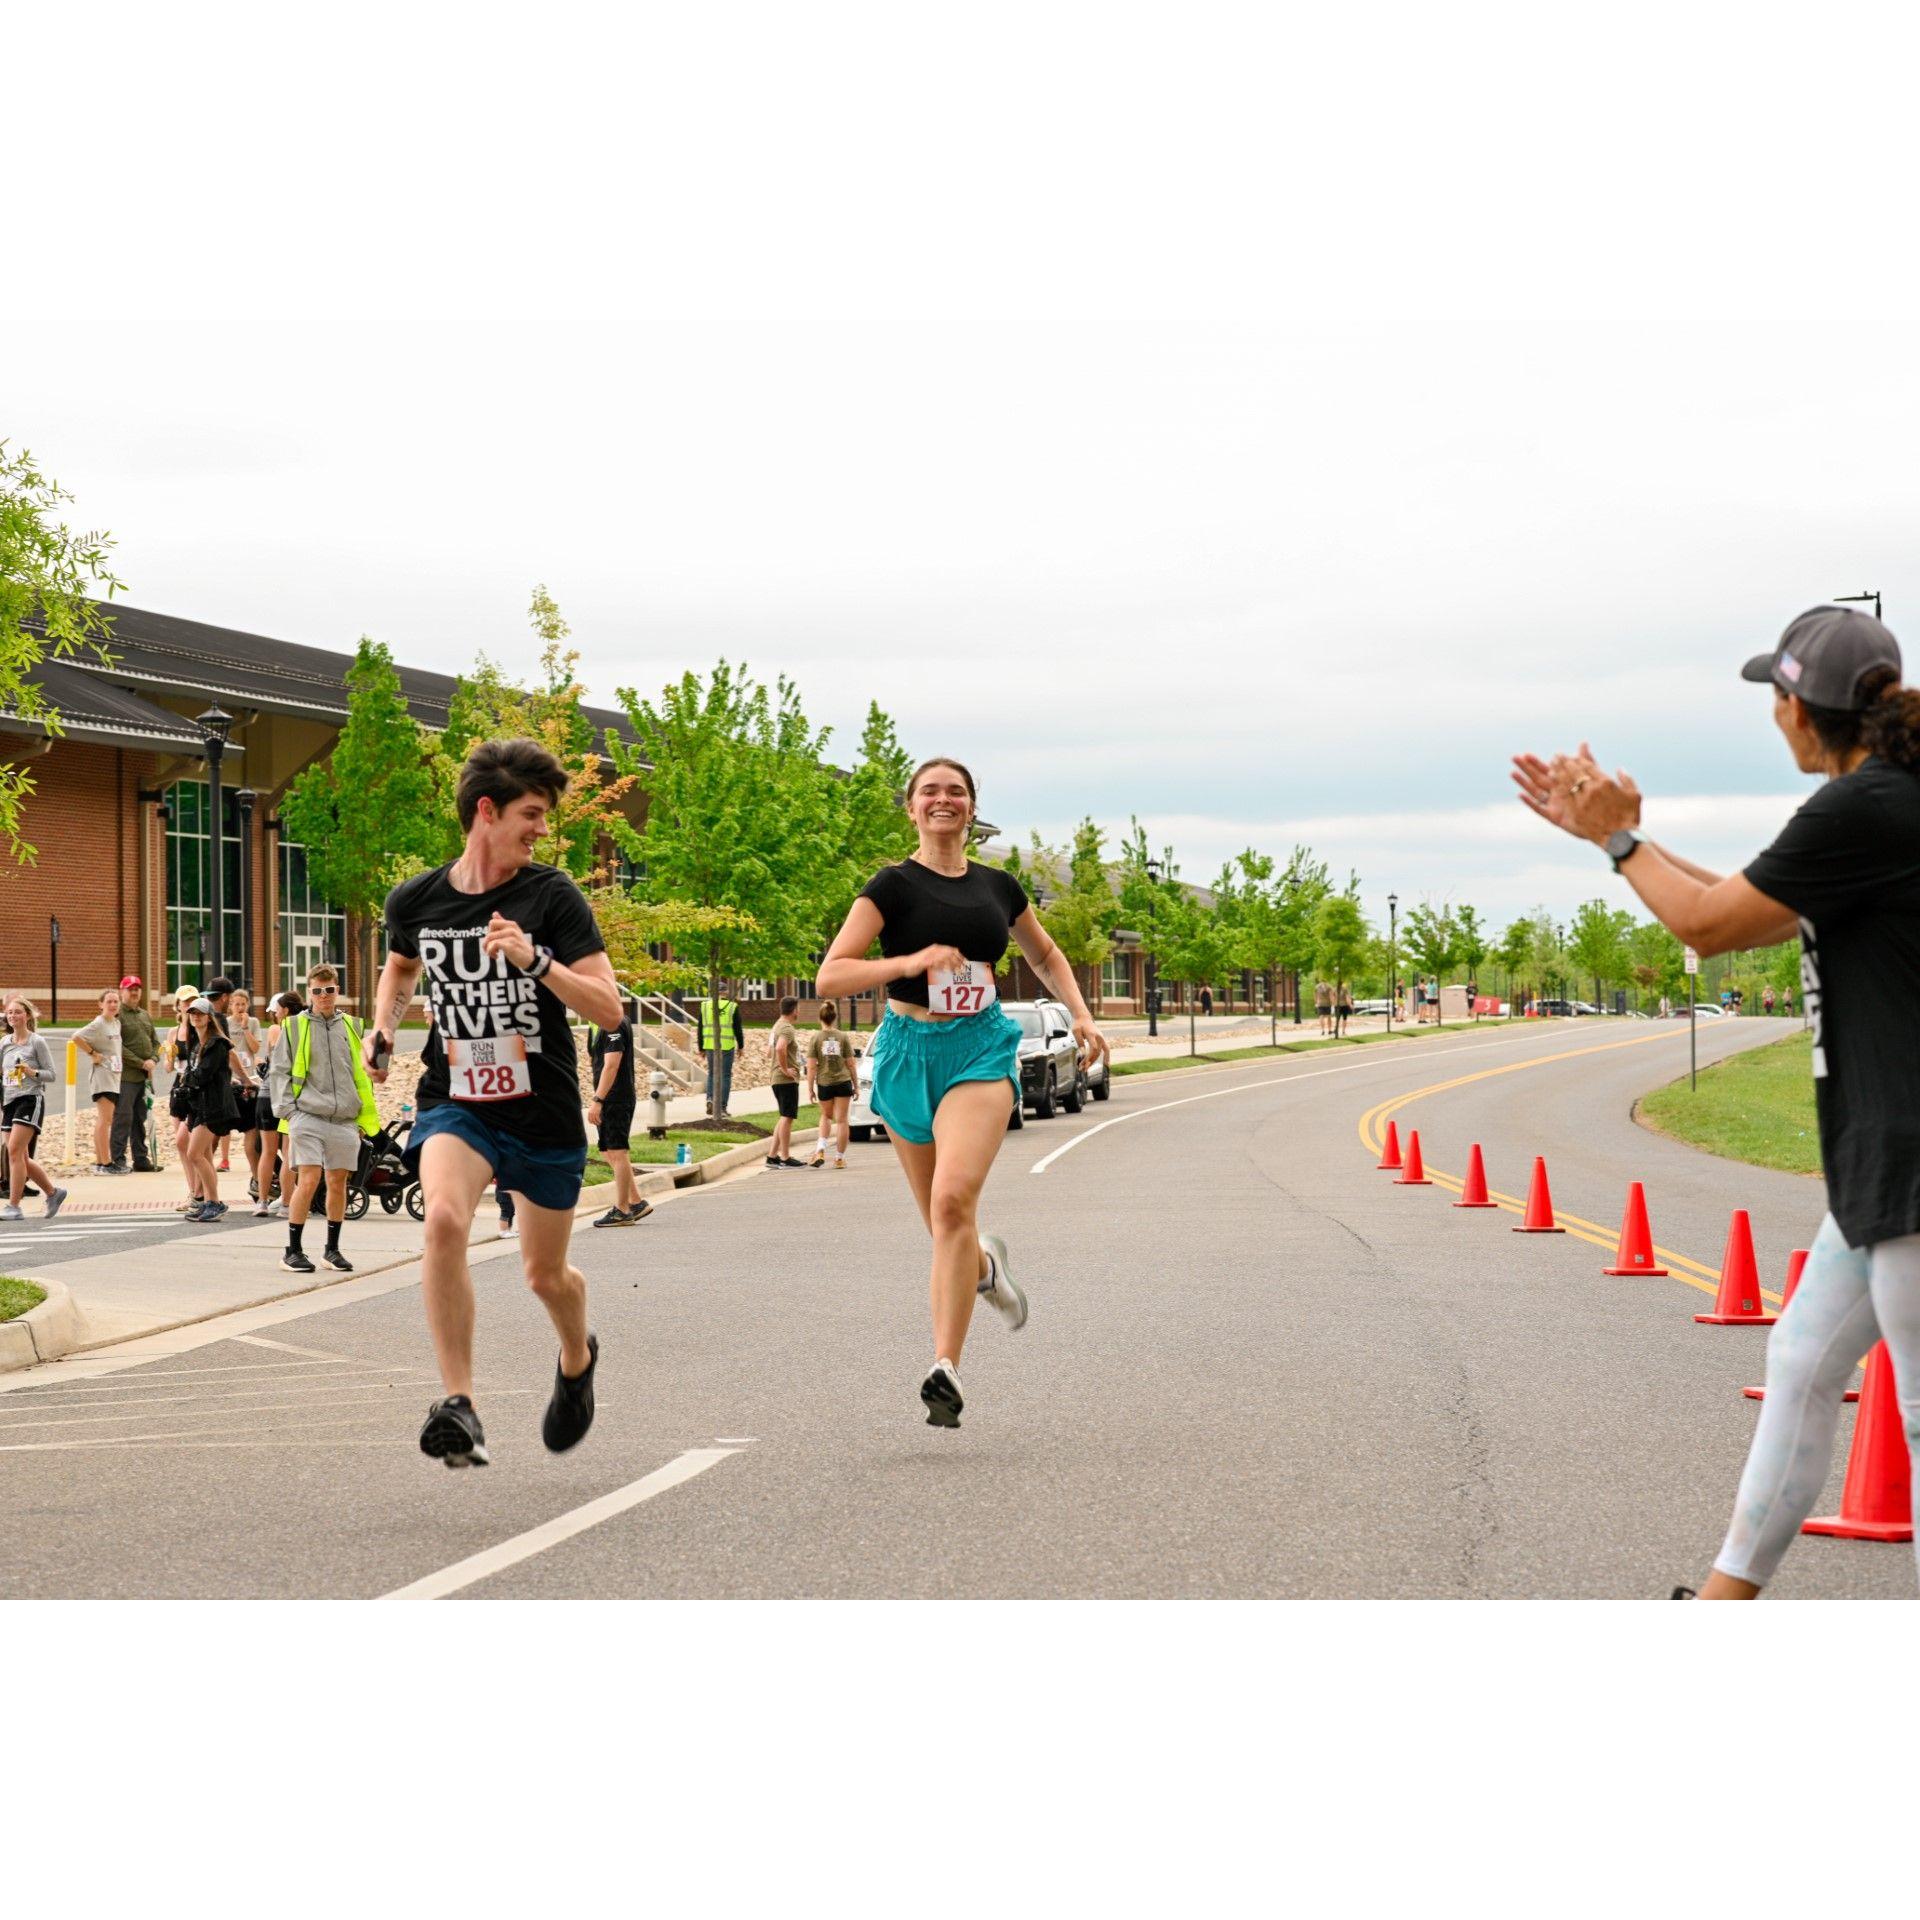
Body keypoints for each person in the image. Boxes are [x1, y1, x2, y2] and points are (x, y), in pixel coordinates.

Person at [1513, 602, 1920, 1598]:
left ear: (1796, 709)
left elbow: (1706, 927)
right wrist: (1624, 839)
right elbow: (1744, 902)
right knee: (1799, 1358)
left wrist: (1619, 846)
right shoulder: (1880, 806)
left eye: (1771, 696)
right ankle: (1724, 1602)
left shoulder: (1865, 809)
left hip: (1910, 1170)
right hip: (1881, 1169)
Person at [816, 756, 1110, 1428]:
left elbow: (1045, 954)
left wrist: (1082, 1011)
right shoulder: (889, 887)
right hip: (905, 1053)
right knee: (941, 1225)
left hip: (978, 1048)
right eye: (930, 792)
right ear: (912, 807)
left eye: (956, 791)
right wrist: (910, 962)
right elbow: (832, 977)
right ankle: (985, 1270)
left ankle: (944, 1367)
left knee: (952, 1202)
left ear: (971, 808)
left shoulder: (997, 887)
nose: (943, 800)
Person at [367, 737, 625, 1470]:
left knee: (545, 1275)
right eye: (532, 814)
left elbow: (609, 1010)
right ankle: (459, 1403)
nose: (542, 829)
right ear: (487, 811)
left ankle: (577, 1357)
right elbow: (397, 969)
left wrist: (536, 960)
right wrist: (383, 1025)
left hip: (542, 1111)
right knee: (444, 1219)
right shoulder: (416, 899)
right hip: (458, 1101)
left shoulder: (552, 897)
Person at [270, 966, 377, 1274]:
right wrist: (289, 1112)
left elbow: (362, 1073)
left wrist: (359, 1119)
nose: (324, 996)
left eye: (329, 990)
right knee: (309, 1179)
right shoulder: (294, 1026)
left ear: (337, 990)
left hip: (344, 1119)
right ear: (309, 994)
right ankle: (292, 1250)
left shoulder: (353, 1026)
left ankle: (332, 1250)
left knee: (337, 1182)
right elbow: (279, 1071)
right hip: (307, 1116)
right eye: (317, 991)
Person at [587, 993, 651, 1227]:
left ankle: (622, 1210)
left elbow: (612, 1064)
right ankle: (635, 1202)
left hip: (615, 1097)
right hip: (612, 1097)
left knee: (617, 1151)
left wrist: (598, 1099)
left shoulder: (612, 1023)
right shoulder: (603, 1023)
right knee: (608, 1151)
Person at [1, 997, 66, 1221]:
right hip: (9, 1101)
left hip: (30, 1099)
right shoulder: (4, 1043)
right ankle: (53, 1193)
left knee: (15, 1151)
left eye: (17, 1012)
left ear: (27, 1016)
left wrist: (31, 1072)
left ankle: (14, 1206)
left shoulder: (36, 1042)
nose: (13, 1016)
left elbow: (52, 1074)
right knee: (19, 1156)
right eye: (9, 1013)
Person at [178, 997, 240, 1221]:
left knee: (194, 1153)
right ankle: (209, 1201)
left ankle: (213, 1202)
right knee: (202, 1154)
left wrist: (187, 1080)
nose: (195, 1016)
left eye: (200, 1013)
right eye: (192, 1013)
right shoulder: (196, 1043)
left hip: (213, 1107)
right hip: (199, 1106)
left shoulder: (217, 1043)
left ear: (209, 1017)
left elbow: (204, 1074)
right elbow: (195, 1074)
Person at [252, 989, 303, 1216]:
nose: (275, 1014)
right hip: (288, 1096)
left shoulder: (276, 1029)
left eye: (277, 1010)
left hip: (266, 1094)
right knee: (288, 1151)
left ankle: (262, 1201)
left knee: (268, 1152)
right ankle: (285, 1204)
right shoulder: (301, 1030)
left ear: (285, 1010)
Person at [72, 987, 125, 1174]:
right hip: (102, 1076)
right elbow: (77, 1037)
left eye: (115, 1001)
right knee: (105, 1119)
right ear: (101, 1004)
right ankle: (105, 1162)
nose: (112, 1005)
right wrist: (93, 1053)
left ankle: (102, 1161)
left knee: (106, 1119)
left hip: (114, 1075)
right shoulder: (99, 1023)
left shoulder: (116, 1023)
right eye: (109, 1001)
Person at [110, 975, 158, 1173]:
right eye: (130, 989)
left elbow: (155, 1042)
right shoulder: (117, 1015)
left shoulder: (144, 1015)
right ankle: (118, 1160)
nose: (134, 992)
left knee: (140, 1118)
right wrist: (141, 1062)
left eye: (137, 988)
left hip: (144, 1078)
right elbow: (117, 1046)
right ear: (122, 992)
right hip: (126, 1077)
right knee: (123, 1118)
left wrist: (153, 1059)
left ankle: (140, 1159)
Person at [805, 999, 859, 1169]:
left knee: (826, 1116)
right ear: (834, 1018)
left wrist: (810, 1089)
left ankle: (820, 1149)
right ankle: (839, 1158)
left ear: (820, 1018)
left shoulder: (815, 1038)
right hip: (843, 1082)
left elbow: (811, 1067)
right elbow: (851, 1063)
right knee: (842, 1120)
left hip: (824, 1083)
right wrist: (856, 1085)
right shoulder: (842, 1037)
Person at [225, 988, 264, 1190]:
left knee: (251, 1130)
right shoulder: (225, 1023)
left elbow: (256, 1048)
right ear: (231, 1004)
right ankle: (223, 1159)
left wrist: (246, 1027)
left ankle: (256, 1174)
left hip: (250, 1079)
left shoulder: (253, 1023)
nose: (240, 1008)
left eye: (243, 1004)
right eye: (236, 1004)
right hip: (232, 1079)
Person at [693, 988, 743, 1119]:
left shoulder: (705, 1006)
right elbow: (737, 1028)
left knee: (712, 1074)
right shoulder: (732, 1006)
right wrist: (741, 1046)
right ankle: (722, 1107)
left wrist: (701, 1047)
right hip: (726, 1046)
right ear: (725, 993)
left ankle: (710, 1099)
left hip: (710, 1045)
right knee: (725, 1076)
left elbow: (700, 1028)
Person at [765, 996, 803, 1168]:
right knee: (787, 1117)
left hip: (776, 1078)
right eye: (798, 1008)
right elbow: (780, 1048)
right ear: (794, 1010)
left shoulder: (776, 1026)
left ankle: (772, 1156)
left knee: (784, 1116)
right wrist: (786, 1069)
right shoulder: (786, 1028)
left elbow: (769, 1051)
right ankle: (785, 1156)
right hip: (785, 1080)